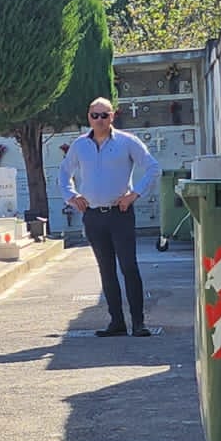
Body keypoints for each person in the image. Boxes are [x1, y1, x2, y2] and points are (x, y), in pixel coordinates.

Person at [58, 96, 159, 336]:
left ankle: (138, 322)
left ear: (112, 116)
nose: (100, 120)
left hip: (120, 214)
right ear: (89, 118)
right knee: (106, 269)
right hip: (93, 216)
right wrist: (71, 196)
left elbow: (153, 167)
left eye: (105, 115)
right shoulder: (80, 145)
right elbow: (64, 173)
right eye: (95, 115)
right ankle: (116, 322)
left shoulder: (127, 142)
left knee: (128, 267)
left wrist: (134, 195)